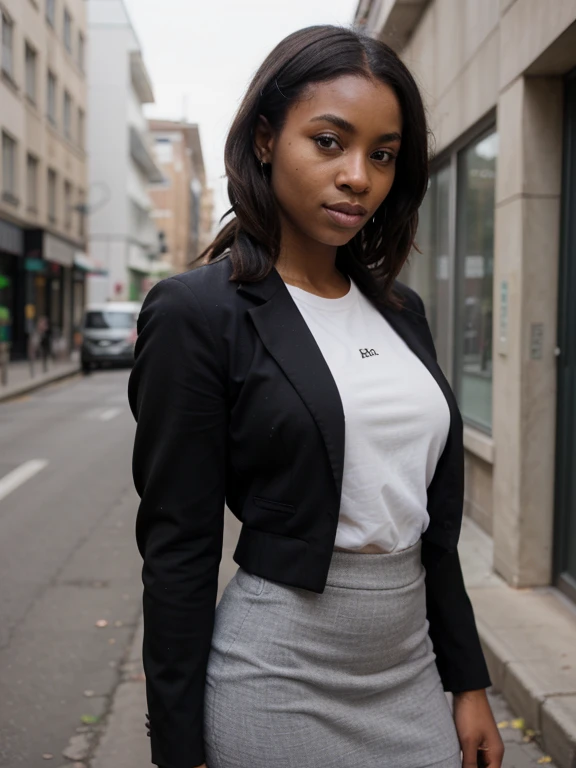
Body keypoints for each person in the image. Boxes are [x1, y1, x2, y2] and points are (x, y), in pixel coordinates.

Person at [128, 25, 505, 768]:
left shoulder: (402, 312)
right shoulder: (198, 313)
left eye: (383, 154)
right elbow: (178, 548)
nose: (358, 176)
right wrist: (178, 748)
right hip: (279, 672)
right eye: (330, 142)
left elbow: (435, 532)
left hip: (408, 671)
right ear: (266, 140)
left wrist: (468, 682)